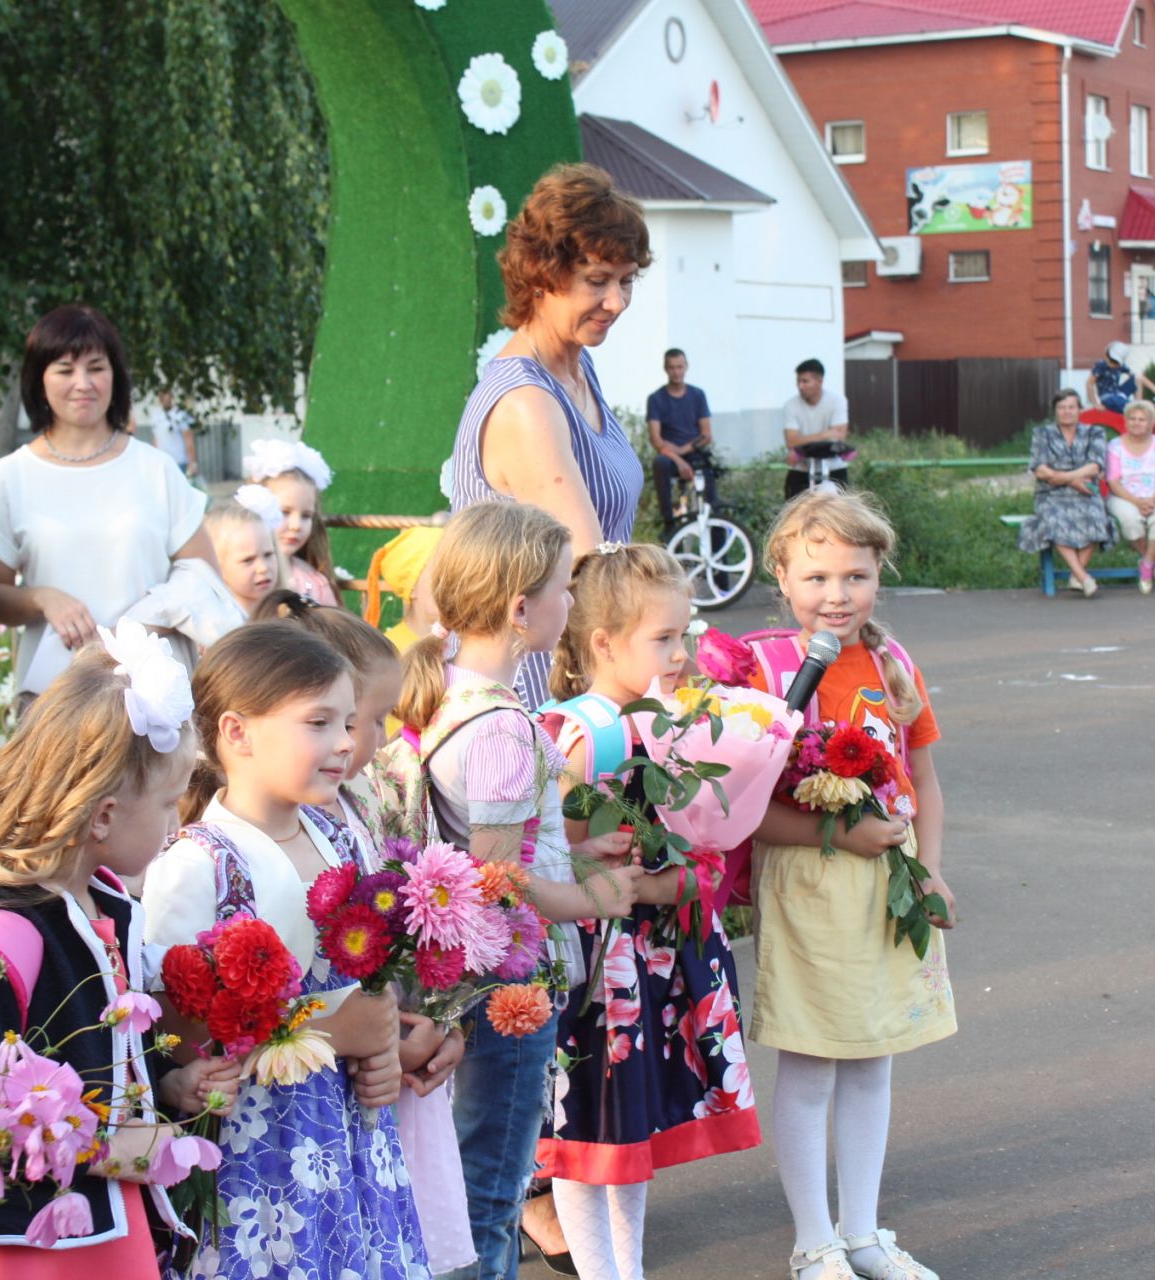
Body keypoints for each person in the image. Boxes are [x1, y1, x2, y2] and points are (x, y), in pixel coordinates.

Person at [0, 633, 234, 1271]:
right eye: (168, 805)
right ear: (104, 815)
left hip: (111, 1221)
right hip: (40, 1245)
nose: (176, 825)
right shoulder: (1, 935)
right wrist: (118, 1145)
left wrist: (164, 1086)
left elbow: (97, 1063)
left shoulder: (103, 907)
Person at [391, 502, 643, 1280]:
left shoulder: (453, 695)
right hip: (504, 990)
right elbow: (499, 880)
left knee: (478, 1181)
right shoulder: (499, 725)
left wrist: (573, 847)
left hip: (471, 985)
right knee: (491, 1193)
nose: (572, 602)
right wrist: (600, 896)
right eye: (563, 587)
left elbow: (487, 840)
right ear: (520, 608)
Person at [143, 622, 426, 1279]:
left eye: (348, 723)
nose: (343, 744)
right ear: (236, 733)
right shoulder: (200, 864)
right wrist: (332, 1030)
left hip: (350, 1134)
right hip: (263, 1152)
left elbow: (367, 977)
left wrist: (381, 1047)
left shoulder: (337, 833)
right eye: (318, 722)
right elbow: (179, 1044)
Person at [747, 490, 955, 1280]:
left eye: (856, 576)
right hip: (809, 880)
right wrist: (838, 832)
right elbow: (740, 807)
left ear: (879, 576)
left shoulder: (895, 663)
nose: (837, 595)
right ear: (783, 576)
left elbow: (926, 779)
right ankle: (815, 1242)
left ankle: (863, 1234)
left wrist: (930, 869)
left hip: (891, 883)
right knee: (811, 1059)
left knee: (876, 1056)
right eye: (818, 576)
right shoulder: (762, 669)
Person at [539, 544, 761, 1280]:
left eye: (684, 634)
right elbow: (555, 857)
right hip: (607, 965)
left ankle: (625, 1267)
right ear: (603, 642)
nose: (680, 652)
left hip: (660, 953)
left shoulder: (673, 721)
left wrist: (692, 873)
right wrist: (644, 883)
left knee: (633, 1131)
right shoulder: (585, 736)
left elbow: (702, 834)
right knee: (588, 1132)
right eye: (662, 638)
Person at [255, 590, 477, 1280]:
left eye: (365, 721)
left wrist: (438, 1022)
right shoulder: (259, 838)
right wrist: (367, 1030)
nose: (364, 740)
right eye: (353, 719)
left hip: (387, 1066)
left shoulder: (353, 811)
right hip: (321, 1098)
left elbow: (397, 935)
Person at [450, 163, 650, 707]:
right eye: (597, 281)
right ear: (542, 275)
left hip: (590, 666)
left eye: (627, 279)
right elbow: (592, 573)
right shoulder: (525, 402)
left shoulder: (578, 368)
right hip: (537, 692)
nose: (617, 302)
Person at [0, 304, 217, 699]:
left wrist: (146, 621)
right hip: (56, 698)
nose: (83, 383)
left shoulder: (156, 468)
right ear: (39, 379)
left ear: (116, 377)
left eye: (96, 367)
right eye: (65, 370)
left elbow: (204, 578)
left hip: (152, 692)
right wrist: (41, 598)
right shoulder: (10, 475)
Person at [1016, 389, 1113, 597]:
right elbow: (1040, 469)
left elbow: (1096, 466)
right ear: (1055, 411)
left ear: (1080, 410)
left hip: (1086, 492)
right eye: (1061, 408)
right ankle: (1083, 576)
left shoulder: (1094, 432)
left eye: (1071, 407)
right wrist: (1073, 480)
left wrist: (1065, 478)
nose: (1066, 412)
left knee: (1097, 517)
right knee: (1054, 520)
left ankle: (1075, 577)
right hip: (1051, 495)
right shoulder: (1042, 434)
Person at [244, 437, 340, 606]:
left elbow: (334, 630)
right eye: (284, 512)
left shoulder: (314, 583)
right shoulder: (240, 576)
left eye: (306, 516)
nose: (296, 525)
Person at [1105, 400, 1155, 594]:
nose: (1136, 423)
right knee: (1130, 519)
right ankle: (1152, 561)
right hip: (1123, 496)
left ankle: (1146, 565)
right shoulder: (1115, 446)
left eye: (1142, 420)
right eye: (1132, 419)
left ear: (1150, 423)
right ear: (1126, 421)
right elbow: (1113, 482)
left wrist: (1154, 499)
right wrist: (1136, 502)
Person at [647, 349, 715, 534]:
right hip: (669, 457)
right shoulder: (656, 399)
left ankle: (718, 549)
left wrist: (682, 452)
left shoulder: (698, 395)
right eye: (672, 368)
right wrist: (678, 460)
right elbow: (656, 440)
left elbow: (707, 435)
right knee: (660, 463)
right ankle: (669, 522)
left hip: (693, 453)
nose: (676, 372)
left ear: (686, 367)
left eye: (680, 367)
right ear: (665, 369)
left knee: (713, 503)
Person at [363, 526, 445, 653]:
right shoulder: (390, 651)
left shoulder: (465, 641)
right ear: (412, 588)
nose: (455, 584)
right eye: (440, 575)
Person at [204, 487, 282, 618]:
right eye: (248, 560)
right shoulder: (218, 622)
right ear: (217, 565)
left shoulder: (285, 613)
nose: (263, 568)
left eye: (268, 554)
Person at [782, 358, 851, 499]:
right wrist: (825, 435)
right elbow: (791, 442)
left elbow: (839, 435)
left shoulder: (837, 402)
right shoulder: (791, 405)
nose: (800, 386)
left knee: (839, 515)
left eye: (805, 381)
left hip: (834, 469)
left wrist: (803, 442)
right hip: (801, 470)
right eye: (798, 381)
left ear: (820, 381)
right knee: (793, 514)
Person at [1085, 341, 1155, 412]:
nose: (1114, 364)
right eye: (1112, 360)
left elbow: (1137, 377)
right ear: (1107, 355)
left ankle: (1139, 403)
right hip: (1108, 397)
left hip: (1119, 393)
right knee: (1121, 403)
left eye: (1116, 362)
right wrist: (1095, 403)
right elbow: (1089, 383)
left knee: (1137, 378)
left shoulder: (1120, 366)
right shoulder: (1101, 365)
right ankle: (1137, 407)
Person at [150, 387, 201, 482]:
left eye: (166, 396)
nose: (163, 399)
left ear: (171, 397)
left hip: (179, 462)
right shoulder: (156, 415)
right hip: (162, 463)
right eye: (161, 396)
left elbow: (189, 440)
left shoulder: (180, 415)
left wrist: (193, 463)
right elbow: (156, 440)